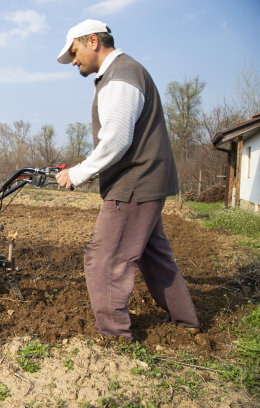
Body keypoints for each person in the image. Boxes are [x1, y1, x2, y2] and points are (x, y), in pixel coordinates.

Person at [54, 19, 200, 341]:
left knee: (103, 259)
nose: (73, 60)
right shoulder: (122, 73)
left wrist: (76, 174)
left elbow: (116, 141)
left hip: (134, 183)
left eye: (75, 52)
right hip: (145, 181)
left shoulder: (120, 76)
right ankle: (186, 322)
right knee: (154, 254)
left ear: (93, 41)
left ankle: (114, 336)